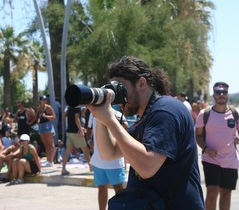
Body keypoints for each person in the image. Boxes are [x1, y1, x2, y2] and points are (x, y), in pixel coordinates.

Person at [86, 56, 204, 209]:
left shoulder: (166, 110)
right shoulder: (146, 117)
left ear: (141, 83)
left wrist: (110, 121)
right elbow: (109, 153)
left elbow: (147, 167)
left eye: (121, 89)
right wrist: (100, 119)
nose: (118, 98)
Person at [195, 82, 239, 210]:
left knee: (226, 194)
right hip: (210, 159)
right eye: (218, 92)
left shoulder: (235, 114)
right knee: (212, 192)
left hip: (230, 160)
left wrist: (238, 139)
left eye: (224, 92)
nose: (221, 95)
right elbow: (198, 136)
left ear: (227, 94)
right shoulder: (205, 114)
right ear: (214, 94)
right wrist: (206, 149)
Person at [87, 110, 127, 210]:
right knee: (101, 189)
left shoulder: (117, 114)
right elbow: (89, 128)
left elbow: (127, 129)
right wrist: (89, 141)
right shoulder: (93, 113)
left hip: (115, 163)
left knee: (119, 190)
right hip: (98, 161)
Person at [61, 106, 92, 175]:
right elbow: (76, 118)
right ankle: (91, 167)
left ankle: (63, 169)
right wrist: (81, 130)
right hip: (76, 132)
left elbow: (65, 117)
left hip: (69, 131)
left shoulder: (69, 107)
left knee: (68, 151)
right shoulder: (77, 107)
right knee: (85, 150)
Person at [36, 95, 56, 167]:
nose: (45, 101)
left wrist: (46, 116)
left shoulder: (48, 107)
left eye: (45, 100)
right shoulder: (39, 108)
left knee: (51, 144)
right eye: (43, 100)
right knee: (46, 144)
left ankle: (51, 161)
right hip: (41, 126)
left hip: (47, 125)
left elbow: (54, 117)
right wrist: (38, 120)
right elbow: (38, 117)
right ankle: (48, 160)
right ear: (40, 101)